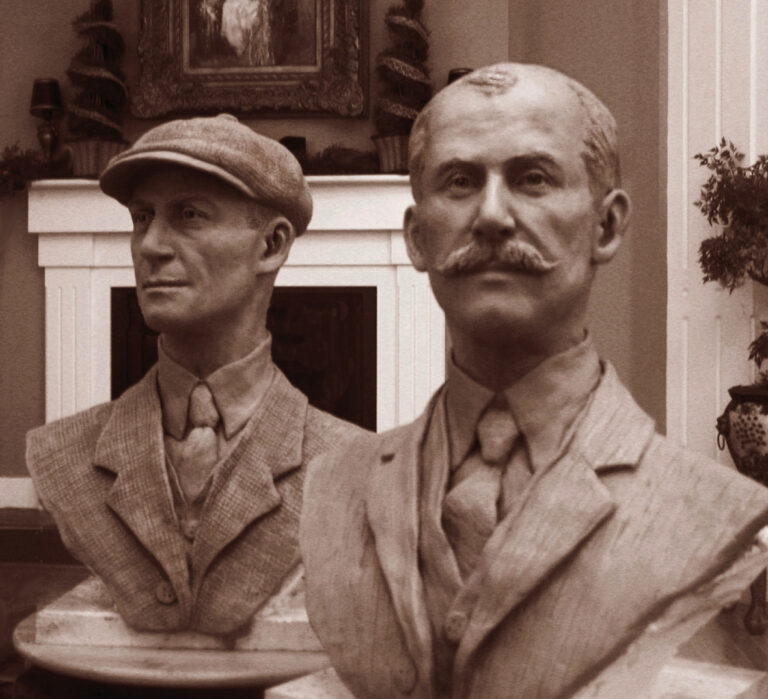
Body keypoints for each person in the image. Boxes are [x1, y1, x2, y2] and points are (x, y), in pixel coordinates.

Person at [300, 64, 768, 698]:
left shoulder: (713, 511)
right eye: (460, 182)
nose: (492, 216)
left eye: (533, 179)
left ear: (606, 226)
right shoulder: (331, 487)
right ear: (416, 237)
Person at [26, 113, 361, 637]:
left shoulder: (353, 468)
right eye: (142, 218)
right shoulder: (61, 453)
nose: (151, 246)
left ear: (271, 246)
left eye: (188, 215)